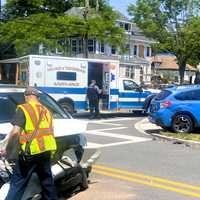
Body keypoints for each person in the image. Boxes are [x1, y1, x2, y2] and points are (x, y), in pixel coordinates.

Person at [5, 87, 58, 200]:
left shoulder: (24, 108)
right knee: (47, 182)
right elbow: (50, 131)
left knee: (17, 184)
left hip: (30, 153)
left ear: (26, 96)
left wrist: (8, 151)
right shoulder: (46, 110)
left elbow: (15, 133)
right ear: (37, 97)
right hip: (46, 151)